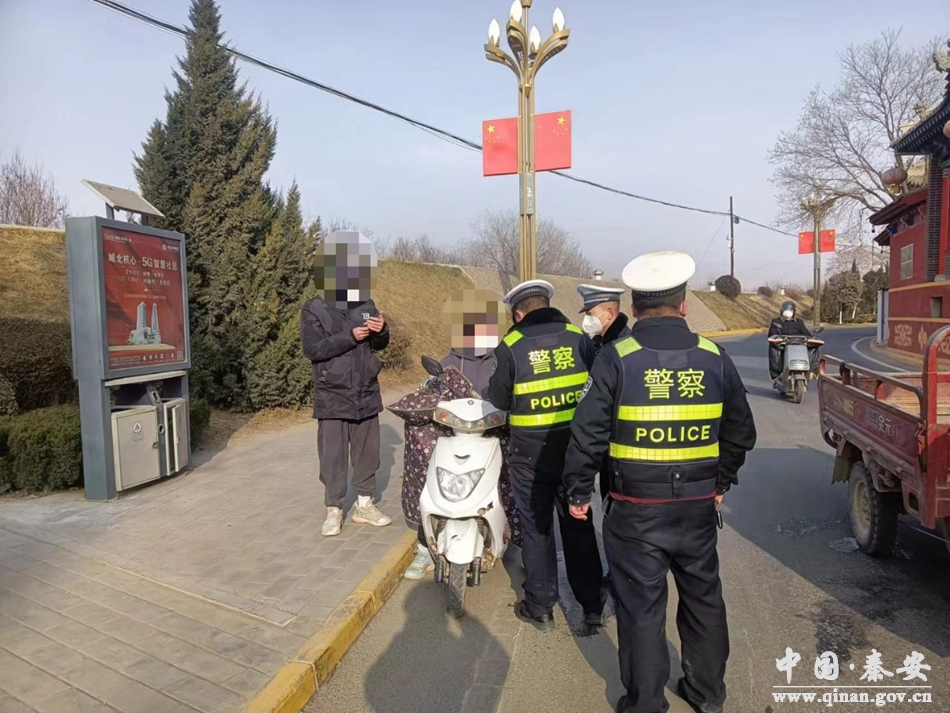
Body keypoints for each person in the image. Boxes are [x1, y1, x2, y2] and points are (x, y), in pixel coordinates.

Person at [564, 251, 756, 713]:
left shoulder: (616, 359)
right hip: (697, 508)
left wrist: (577, 491)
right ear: (684, 305)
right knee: (703, 599)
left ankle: (646, 703)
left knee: (641, 609)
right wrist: (720, 481)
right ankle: (707, 694)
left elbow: (586, 435)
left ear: (634, 307)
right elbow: (741, 433)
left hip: (634, 511)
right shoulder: (715, 357)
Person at [489, 280, 605, 631]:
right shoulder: (578, 338)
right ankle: (592, 605)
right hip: (574, 451)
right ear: (548, 304)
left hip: (530, 457)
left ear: (518, 314)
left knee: (537, 527)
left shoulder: (511, 346)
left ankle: (540, 607)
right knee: (578, 524)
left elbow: (498, 400)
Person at [402, 288, 522, 579]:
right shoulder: (448, 363)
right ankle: (425, 545)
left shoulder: (503, 358)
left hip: (493, 436)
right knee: (429, 475)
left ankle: (517, 538)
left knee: (514, 477)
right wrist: (427, 390)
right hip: (455, 436)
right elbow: (432, 391)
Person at [301, 231, 393, 537]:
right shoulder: (314, 308)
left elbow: (379, 344)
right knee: (333, 456)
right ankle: (334, 509)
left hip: (366, 391)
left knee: (368, 452)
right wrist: (350, 336)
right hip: (332, 395)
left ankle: (365, 505)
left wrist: (381, 330)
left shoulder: (366, 303)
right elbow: (313, 350)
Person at [767, 300, 814, 381]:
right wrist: (778, 339)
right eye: (786, 310)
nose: (788, 313)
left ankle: (812, 369)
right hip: (783, 346)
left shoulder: (799, 322)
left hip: (798, 345)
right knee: (773, 347)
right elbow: (772, 334)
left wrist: (809, 338)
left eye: (790, 310)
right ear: (782, 311)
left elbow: (806, 334)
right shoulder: (776, 322)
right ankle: (777, 373)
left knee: (814, 346)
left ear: (794, 311)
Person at [578, 284, 631, 351]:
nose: (587, 319)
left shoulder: (625, 344)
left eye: (590, 314)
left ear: (610, 314)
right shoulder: (597, 342)